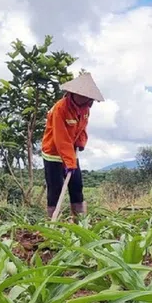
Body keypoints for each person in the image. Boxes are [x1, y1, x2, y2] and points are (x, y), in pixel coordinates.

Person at [41, 72, 105, 219]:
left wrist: (81, 143)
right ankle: (53, 221)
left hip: (70, 151)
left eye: (87, 97)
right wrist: (70, 162)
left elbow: (82, 128)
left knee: (76, 185)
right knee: (55, 188)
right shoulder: (60, 109)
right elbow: (61, 138)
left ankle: (79, 219)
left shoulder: (85, 109)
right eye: (81, 95)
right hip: (53, 153)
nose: (85, 99)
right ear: (72, 93)